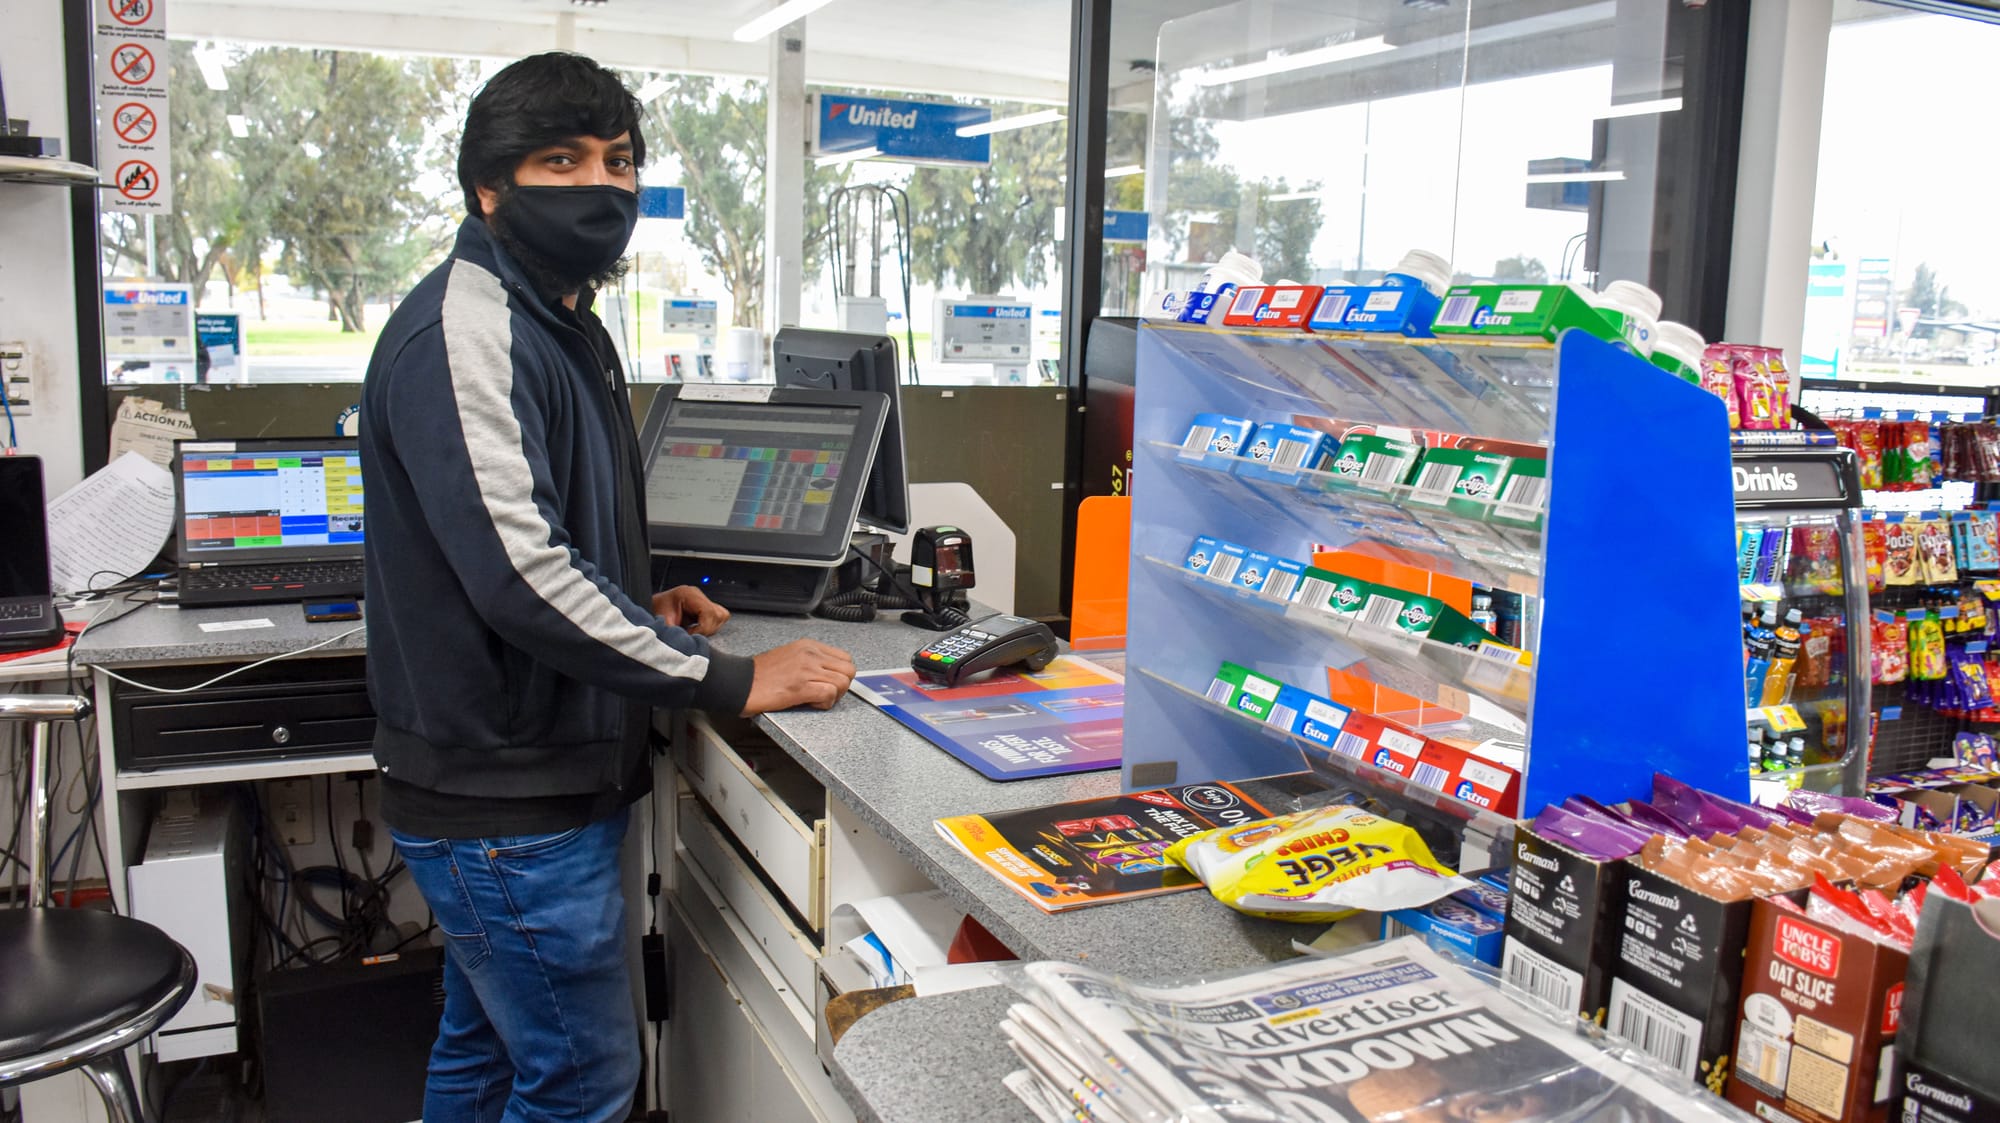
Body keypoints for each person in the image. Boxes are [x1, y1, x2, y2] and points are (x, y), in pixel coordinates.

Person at [357, 52, 856, 1123]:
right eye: (561, 160)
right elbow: (522, 578)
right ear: (487, 187)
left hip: (517, 784)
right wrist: (726, 678)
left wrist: (643, 604)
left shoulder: (555, 320)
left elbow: (547, 534)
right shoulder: (471, 328)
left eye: (618, 160)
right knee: (581, 1086)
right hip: (510, 800)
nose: (603, 184)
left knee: (487, 1050)